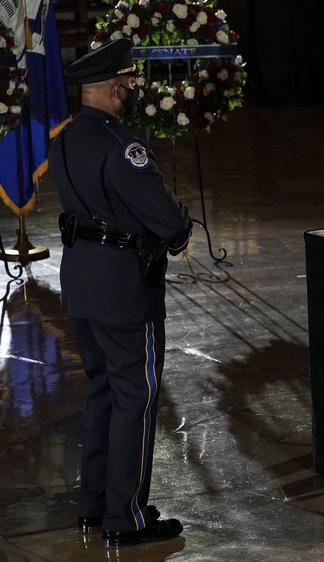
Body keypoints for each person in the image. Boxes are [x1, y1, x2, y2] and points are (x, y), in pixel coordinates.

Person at [51, 39, 192, 548]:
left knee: (104, 391)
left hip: (82, 283)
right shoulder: (121, 145)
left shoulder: (63, 139)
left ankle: (96, 504)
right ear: (115, 87)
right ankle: (126, 517)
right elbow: (168, 220)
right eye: (129, 84)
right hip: (124, 289)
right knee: (137, 395)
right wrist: (180, 227)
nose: (132, 91)